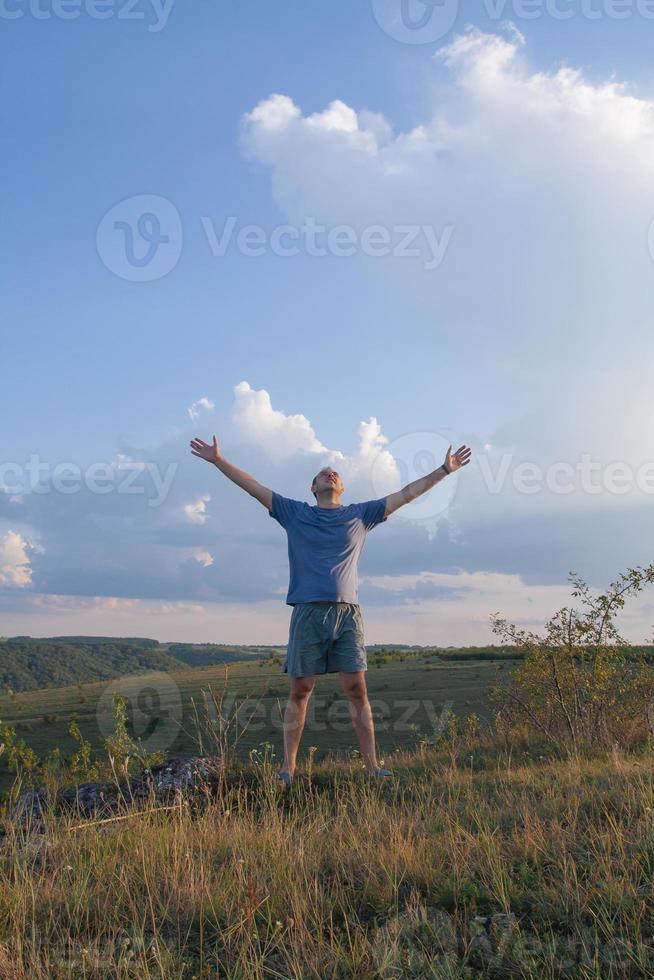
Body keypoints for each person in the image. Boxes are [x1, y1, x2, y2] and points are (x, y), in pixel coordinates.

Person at [190, 433, 472, 787]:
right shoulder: (294, 513)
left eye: (335, 473)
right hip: (308, 612)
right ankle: (288, 770)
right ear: (313, 488)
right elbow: (253, 487)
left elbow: (406, 493)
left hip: (348, 614)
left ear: (342, 486)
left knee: (357, 690)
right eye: (324, 473)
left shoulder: (361, 514)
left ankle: (372, 768)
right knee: (301, 689)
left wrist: (444, 470)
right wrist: (218, 460)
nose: (331, 474)